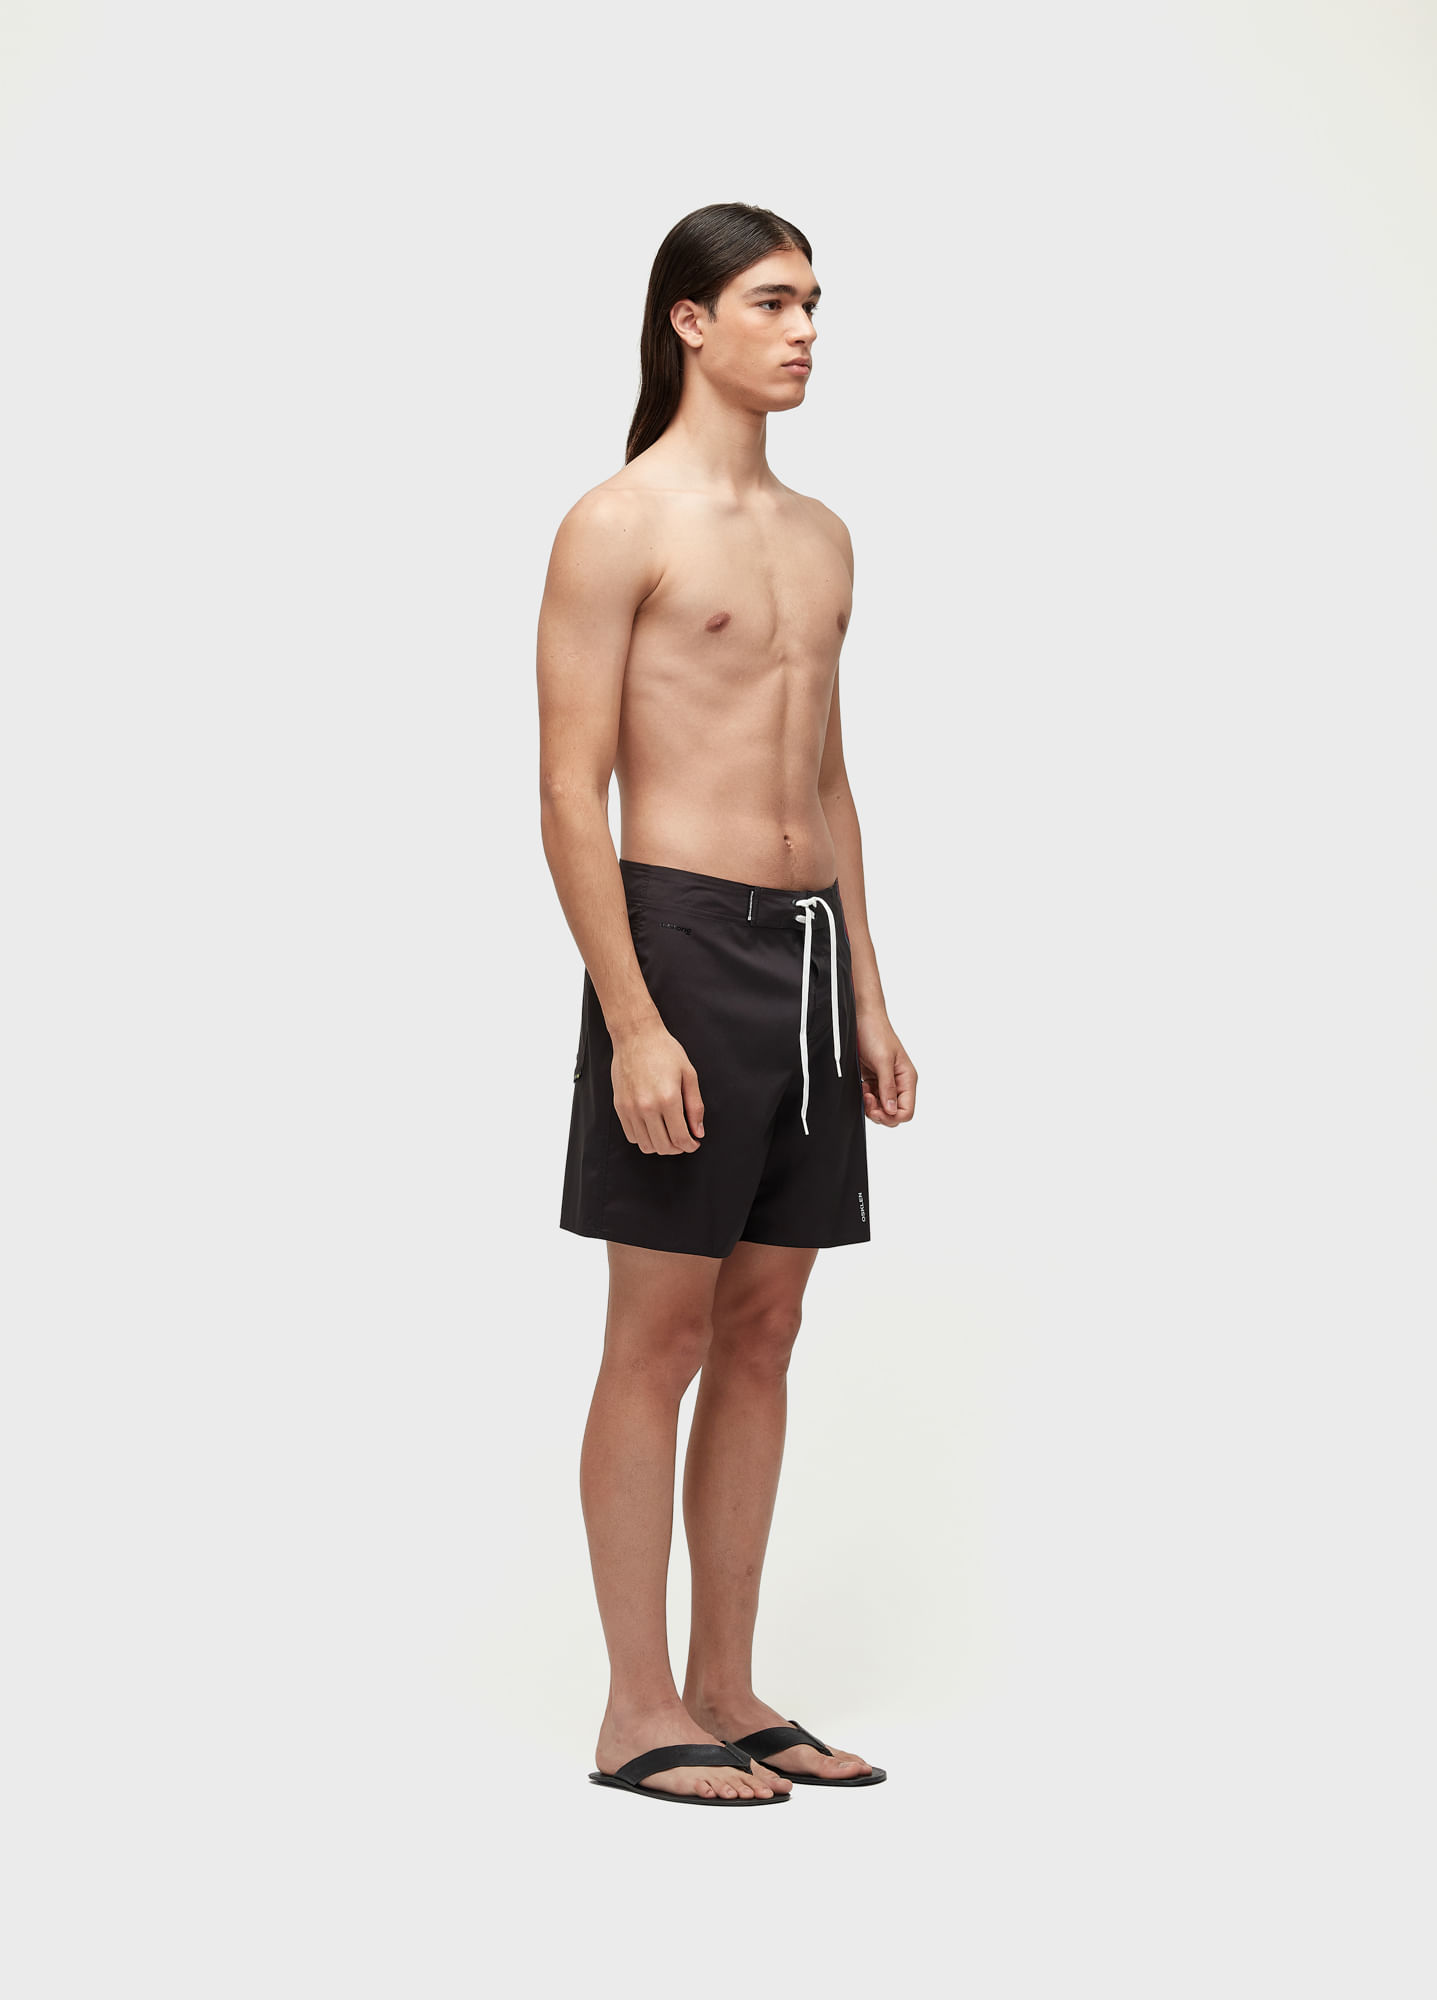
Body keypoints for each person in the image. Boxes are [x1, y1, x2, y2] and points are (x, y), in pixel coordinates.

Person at [537, 203, 917, 1806]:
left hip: (808, 957)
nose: (804, 329)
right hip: (679, 943)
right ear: (688, 321)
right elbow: (568, 790)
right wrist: (632, 1016)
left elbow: (826, 778)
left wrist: (871, 996)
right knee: (662, 1332)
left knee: (766, 1326)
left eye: (813, 302)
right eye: (771, 302)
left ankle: (726, 1685)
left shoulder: (822, 536)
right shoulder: (615, 522)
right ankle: (635, 1709)